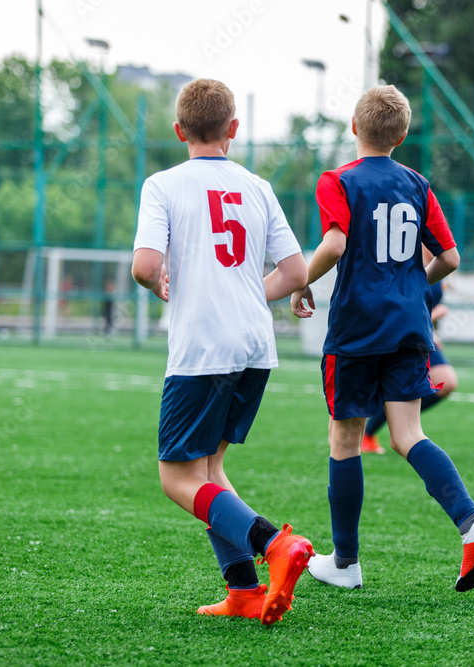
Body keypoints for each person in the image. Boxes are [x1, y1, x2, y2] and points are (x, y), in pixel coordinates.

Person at [291, 85, 474, 593]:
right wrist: (410, 285)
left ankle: (345, 563)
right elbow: (449, 259)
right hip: (411, 326)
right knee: (409, 435)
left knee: (345, 439)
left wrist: (300, 281)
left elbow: (335, 243)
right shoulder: (417, 183)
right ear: (402, 135)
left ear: (353, 128)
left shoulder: (337, 180)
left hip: (357, 328)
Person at [132, 78, 314, 624]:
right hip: (255, 343)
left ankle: (273, 543)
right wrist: (241, 294)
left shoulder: (163, 185)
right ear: (234, 130)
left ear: (178, 130)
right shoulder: (257, 186)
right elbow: (297, 273)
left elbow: (144, 266)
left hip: (204, 344)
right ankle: (243, 591)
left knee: (176, 478)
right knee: (209, 469)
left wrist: (156, 282)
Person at [361, 246, 458, 455]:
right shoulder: (404, 261)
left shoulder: (439, 262)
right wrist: (431, 317)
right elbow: (397, 303)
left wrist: (431, 329)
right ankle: (373, 432)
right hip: (402, 334)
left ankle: (385, 430)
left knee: (445, 382)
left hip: (419, 335)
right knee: (443, 381)